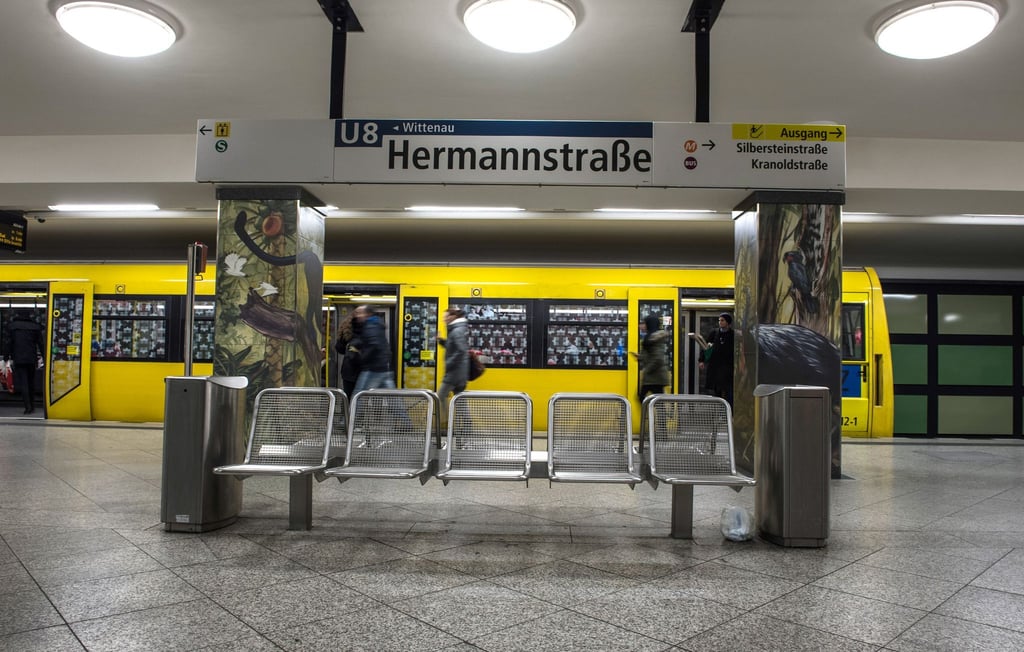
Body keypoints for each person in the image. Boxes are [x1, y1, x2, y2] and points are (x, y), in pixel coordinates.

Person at [436, 307, 471, 444]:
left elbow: (461, 350)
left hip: (454, 373)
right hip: (460, 373)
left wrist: (449, 362)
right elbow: (454, 347)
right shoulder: (458, 329)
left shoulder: (456, 331)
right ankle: (467, 426)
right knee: (460, 400)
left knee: (440, 396)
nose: (444, 319)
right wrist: (441, 341)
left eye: (446, 317)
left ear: (452, 317)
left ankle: (445, 423)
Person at [350, 305, 395, 395]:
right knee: (392, 397)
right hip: (384, 368)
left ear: (367, 314)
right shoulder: (376, 324)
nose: (357, 316)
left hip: (373, 368)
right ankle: (399, 406)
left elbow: (374, 344)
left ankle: (355, 406)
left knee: (359, 395)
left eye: (359, 313)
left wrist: (362, 358)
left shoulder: (370, 326)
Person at [7, 310, 43, 414]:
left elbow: (9, 343)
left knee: (23, 383)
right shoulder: (35, 327)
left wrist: (5, 357)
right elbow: (41, 343)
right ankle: (32, 404)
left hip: (18, 358)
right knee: (31, 382)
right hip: (31, 358)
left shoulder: (13, 327)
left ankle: (28, 407)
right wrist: (45, 357)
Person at [634, 314, 671, 401]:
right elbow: (651, 355)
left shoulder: (655, 339)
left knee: (646, 398)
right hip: (653, 377)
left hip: (655, 376)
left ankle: (649, 410)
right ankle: (650, 410)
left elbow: (658, 358)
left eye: (644, 323)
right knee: (656, 401)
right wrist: (640, 357)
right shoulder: (649, 338)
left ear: (649, 324)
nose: (641, 326)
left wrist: (647, 370)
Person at [702, 312, 734, 406]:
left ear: (727, 322)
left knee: (728, 390)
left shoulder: (733, 334)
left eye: (722, 320)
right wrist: (702, 360)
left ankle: (729, 409)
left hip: (727, 366)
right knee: (717, 390)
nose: (720, 322)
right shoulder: (714, 333)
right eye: (719, 320)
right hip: (715, 366)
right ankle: (718, 409)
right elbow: (706, 347)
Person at [333, 311, 362, 397]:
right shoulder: (364, 329)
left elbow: (339, 348)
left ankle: (349, 406)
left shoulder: (345, 328)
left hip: (348, 369)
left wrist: (348, 350)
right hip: (362, 370)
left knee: (348, 395)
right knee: (362, 397)